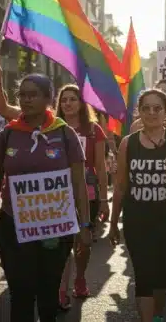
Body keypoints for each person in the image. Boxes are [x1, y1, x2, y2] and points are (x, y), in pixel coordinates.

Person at [0, 73, 91, 322]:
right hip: (13, 225)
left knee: (49, 296)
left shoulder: (65, 134)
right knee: (21, 293)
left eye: (33, 94)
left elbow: (78, 184)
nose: (26, 100)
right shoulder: (7, 135)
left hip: (55, 228)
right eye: (22, 95)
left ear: (48, 98)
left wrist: (84, 225)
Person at [107, 89, 166, 322]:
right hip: (138, 221)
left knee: (162, 278)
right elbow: (121, 187)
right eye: (146, 108)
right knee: (144, 276)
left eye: (158, 108)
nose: (152, 112)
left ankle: (157, 315)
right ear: (139, 112)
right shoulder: (129, 143)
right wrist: (113, 223)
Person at [56, 84, 110, 307]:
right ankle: (61, 290)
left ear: (81, 103)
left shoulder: (94, 130)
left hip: (87, 193)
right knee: (61, 243)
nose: (67, 103)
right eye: (64, 100)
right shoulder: (51, 127)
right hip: (57, 193)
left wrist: (105, 200)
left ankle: (80, 277)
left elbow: (100, 166)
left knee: (84, 242)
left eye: (72, 99)